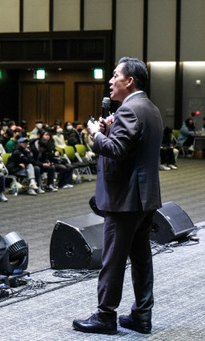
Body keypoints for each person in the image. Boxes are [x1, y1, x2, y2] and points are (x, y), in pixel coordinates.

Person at [73, 57, 163, 335]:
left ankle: (105, 316)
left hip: (124, 200)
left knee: (113, 259)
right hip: (144, 198)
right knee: (140, 258)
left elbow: (114, 149)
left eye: (115, 76)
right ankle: (142, 314)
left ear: (129, 81)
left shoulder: (129, 111)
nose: (110, 81)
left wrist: (95, 133)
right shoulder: (151, 108)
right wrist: (111, 128)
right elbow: (131, 149)